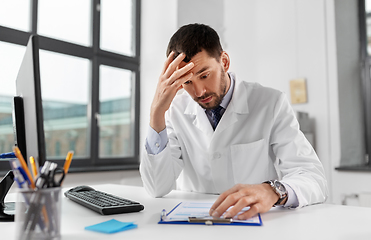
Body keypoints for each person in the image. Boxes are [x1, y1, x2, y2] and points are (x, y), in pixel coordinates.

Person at [140, 23, 328, 220]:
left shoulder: (270, 103)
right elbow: (156, 187)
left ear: (225, 61)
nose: (199, 92)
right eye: (187, 82)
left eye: (204, 75)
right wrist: (156, 113)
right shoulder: (174, 111)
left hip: (252, 222)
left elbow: (314, 179)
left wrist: (273, 191)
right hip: (195, 227)